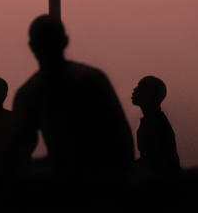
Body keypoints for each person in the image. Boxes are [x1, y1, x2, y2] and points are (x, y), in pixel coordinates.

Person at [12, 15, 134, 179]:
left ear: (32, 46)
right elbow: (123, 141)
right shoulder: (93, 79)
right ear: (65, 41)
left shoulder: (28, 94)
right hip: (104, 184)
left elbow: (20, 152)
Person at [131, 76, 180, 177]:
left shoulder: (155, 124)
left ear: (150, 95)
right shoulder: (153, 121)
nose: (134, 89)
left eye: (140, 87)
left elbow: (154, 162)